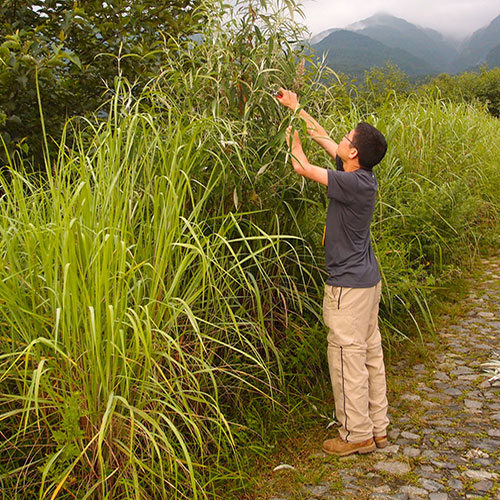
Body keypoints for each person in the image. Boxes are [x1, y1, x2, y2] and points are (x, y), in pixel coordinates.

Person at [276, 88, 389, 457]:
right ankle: (377, 428)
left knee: (345, 357)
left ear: (353, 152)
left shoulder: (351, 183)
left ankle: (355, 435)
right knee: (370, 353)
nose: (340, 139)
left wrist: (289, 132)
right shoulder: (361, 178)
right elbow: (324, 137)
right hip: (367, 283)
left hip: (348, 288)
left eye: (347, 138)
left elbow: (302, 167)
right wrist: (298, 110)